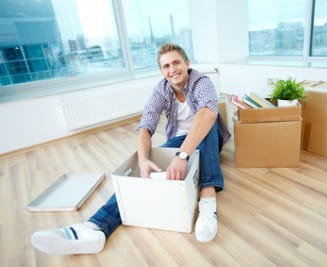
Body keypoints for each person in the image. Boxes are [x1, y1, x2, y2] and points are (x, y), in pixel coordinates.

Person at [31, 43, 231, 255]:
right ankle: (94, 227)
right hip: (180, 140)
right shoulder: (161, 89)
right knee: (147, 167)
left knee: (206, 121)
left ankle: (208, 202)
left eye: (176, 62)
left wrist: (182, 156)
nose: (172, 69)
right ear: (162, 71)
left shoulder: (202, 82)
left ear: (187, 63)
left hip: (209, 140)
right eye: (166, 66)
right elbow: (146, 126)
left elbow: (208, 113)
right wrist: (143, 161)